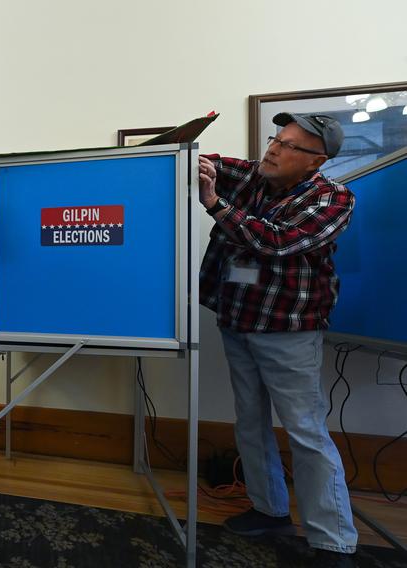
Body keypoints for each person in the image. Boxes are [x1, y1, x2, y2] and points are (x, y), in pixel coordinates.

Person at [198, 113, 357, 567]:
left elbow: (277, 240)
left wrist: (215, 203)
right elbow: (199, 162)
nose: (273, 149)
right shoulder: (252, 175)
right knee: (249, 420)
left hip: (289, 329)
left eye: (289, 146)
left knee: (306, 430)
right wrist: (191, 160)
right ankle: (269, 510)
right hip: (237, 318)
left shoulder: (334, 199)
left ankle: (333, 542)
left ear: (315, 162)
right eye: (276, 139)